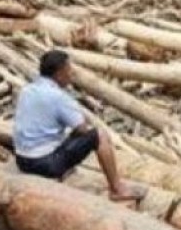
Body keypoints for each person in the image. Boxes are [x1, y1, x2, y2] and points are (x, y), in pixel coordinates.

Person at [12, 49, 144, 202]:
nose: (71, 74)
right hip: (44, 164)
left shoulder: (27, 90)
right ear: (59, 73)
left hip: (22, 159)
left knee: (70, 134)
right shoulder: (59, 97)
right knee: (99, 135)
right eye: (69, 70)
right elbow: (82, 127)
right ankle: (117, 188)